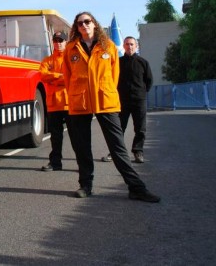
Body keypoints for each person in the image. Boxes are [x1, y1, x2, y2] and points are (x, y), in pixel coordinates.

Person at [62, 11, 160, 202]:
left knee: (118, 147)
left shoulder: (108, 47)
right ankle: (86, 185)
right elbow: (67, 78)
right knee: (82, 147)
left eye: (87, 21)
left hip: (105, 101)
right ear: (77, 27)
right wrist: (77, 93)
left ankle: (136, 188)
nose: (84, 25)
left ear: (95, 24)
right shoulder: (70, 49)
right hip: (79, 102)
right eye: (80, 23)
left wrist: (105, 92)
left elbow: (114, 76)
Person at [102, 36, 153, 163]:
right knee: (118, 128)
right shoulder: (117, 62)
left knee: (140, 128)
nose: (129, 46)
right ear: (123, 46)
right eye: (127, 44)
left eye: (131, 44)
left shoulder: (143, 62)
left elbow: (149, 81)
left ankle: (138, 152)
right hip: (121, 101)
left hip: (139, 100)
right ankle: (115, 153)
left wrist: (141, 93)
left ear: (136, 46)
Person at [40, 31, 69, 172]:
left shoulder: (71, 58)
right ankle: (55, 163)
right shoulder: (47, 60)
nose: (58, 43)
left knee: (78, 136)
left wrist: (54, 78)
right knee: (55, 137)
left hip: (70, 103)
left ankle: (84, 165)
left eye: (61, 40)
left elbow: (73, 75)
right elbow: (43, 75)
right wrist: (61, 77)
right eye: (56, 40)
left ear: (66, 42)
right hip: (53, 104)